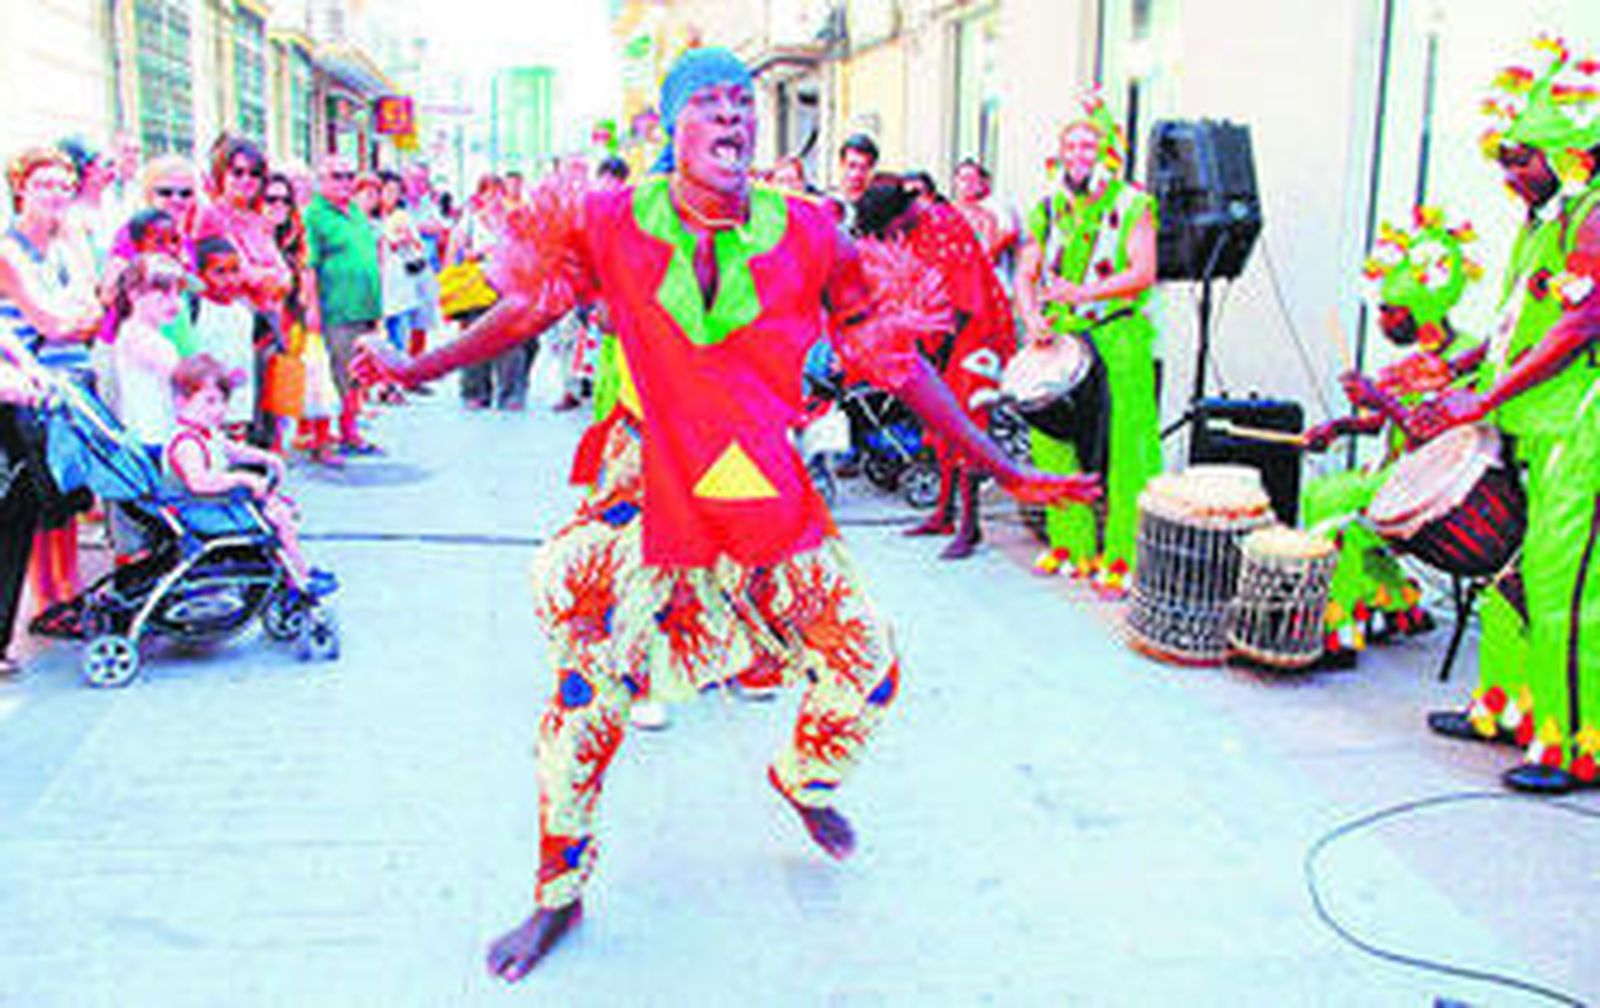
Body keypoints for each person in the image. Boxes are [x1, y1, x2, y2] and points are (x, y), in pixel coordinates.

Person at [354, 47, 1096, 980]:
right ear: (674, 125)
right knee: (584, 702)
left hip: (760, 485)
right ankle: (558, 894)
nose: (735, 117)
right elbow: (525, 313)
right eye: (710, 103)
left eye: (744, 103)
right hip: (646, 485)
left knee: (867, 666)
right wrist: (414, 366)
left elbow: (897, 361)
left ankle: (804, 779)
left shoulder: (811, 231)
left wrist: (1002, 466)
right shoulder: (611, 219)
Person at [1410, 37, 1600, 793]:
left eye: (1521, 159)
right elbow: (1517, 327)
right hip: (1529, 426)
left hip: (1577, 431)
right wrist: (1455, 370)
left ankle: (1573, 742)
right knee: (1507, 577)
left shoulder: (1594, 218)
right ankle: (1507, 706)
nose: (1507, 173)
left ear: (1568, 154)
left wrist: (1482, 400)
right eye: (1502, 158)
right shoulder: (1544, 221)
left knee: (1561, 588)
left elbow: (1579, 327)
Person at [1299, 207, 1479, 665]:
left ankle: (1337, 631)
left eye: (1389, 310)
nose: (1381, 321)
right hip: (1398, 476)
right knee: (1330, 496)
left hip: (1434, 489)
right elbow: (1381, 423)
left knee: (1332, 505)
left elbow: (1435, 434)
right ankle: (1396, 603)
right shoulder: (1415, 359)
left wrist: (1378, 398)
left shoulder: (1466, 359)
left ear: (1423, 307)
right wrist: (1336, 428)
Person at [1016, 96, 1162, 595]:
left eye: (1089, 145)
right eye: (1072, 145)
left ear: (1107, 153)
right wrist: (1032, 317)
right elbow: (1027, 274)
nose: (1080, 154)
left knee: (1127, 447)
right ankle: (1070, 544)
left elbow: (1143, 272)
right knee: (1052, 440)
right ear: (1060, 153)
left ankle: (1123, 555)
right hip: (1061, 335)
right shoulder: (1048, 208)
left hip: (1118, 334)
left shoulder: (1133, 205)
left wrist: (1084, 293)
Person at [858, 176, 1016, 559]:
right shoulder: (913, 230)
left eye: (889, 228)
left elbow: (964, 300)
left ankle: (970, 527)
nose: (890, 236)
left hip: (974, 336)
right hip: (942, 338)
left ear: (899, 214)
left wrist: (939, 353)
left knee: (966, 425)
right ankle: (944, 514)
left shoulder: (945, 224)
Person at [2, 147, 103, 621]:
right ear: (20, 187)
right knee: (39, 497)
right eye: (44, 184)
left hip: (72, 382)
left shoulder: (68, 243)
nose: (56, 195)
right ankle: (49, 600)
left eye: (65, 186)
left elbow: (95, 311)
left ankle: (69, 589)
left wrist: (77, 315)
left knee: (68, 493)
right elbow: (53, 321)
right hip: (29, 388)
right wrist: (75, 316)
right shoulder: (8, 251)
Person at [165, 353, 335, 601]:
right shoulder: (186, 442)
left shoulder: (205, 433)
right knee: (279, 517)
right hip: (199, 509)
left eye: (222, 401)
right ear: (181, 401)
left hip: (212, 504)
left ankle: (294, 569)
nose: (218, 410)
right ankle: (299, 576)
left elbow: (233, 451)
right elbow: (199, 482)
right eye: (209, 401)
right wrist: (241, 479)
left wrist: (268, 458)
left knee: (278, 509)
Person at [303, 155, 382, 454]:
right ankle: (324, 438)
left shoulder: (355, 212)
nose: (345, 182)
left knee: (357, 373)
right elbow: (308, 265)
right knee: (334, 374)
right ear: (321, 180)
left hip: (364, 308)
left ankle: (350, 431)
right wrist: (312, 307)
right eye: (337, 176)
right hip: (337, 308)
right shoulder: (314, 215)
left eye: (350, 176)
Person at [263, 171, 339, 466]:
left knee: (304, 374)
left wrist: (312, 308)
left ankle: (317, 439)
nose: (279, 206)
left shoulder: (296, 234)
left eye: (285, 200)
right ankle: (276, 443)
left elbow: (307, 271)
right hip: (267, 316)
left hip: (293, 314)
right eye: (272, 199)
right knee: (275, 379)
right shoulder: (254, 233)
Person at [108, 253, 185, 456]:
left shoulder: (138, 333)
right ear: (134, 294)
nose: (175, 303)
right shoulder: (139, 338)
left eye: (178, 293)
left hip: (153, 436)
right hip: (152, 439)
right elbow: (184, 382)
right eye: (163, 293)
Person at [189, 237, 259, 440]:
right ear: (200, 275)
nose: (230, 280)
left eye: (235, 271)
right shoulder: (196, 311)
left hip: (237, 409)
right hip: (204, 410)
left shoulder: (244, 313)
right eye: (219, 272)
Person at [834, 133, 879, 233]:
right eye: (852, 166)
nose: (856, 175)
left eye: (863, 168)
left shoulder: (879, 213)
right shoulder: (825, 209)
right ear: (841, 166)